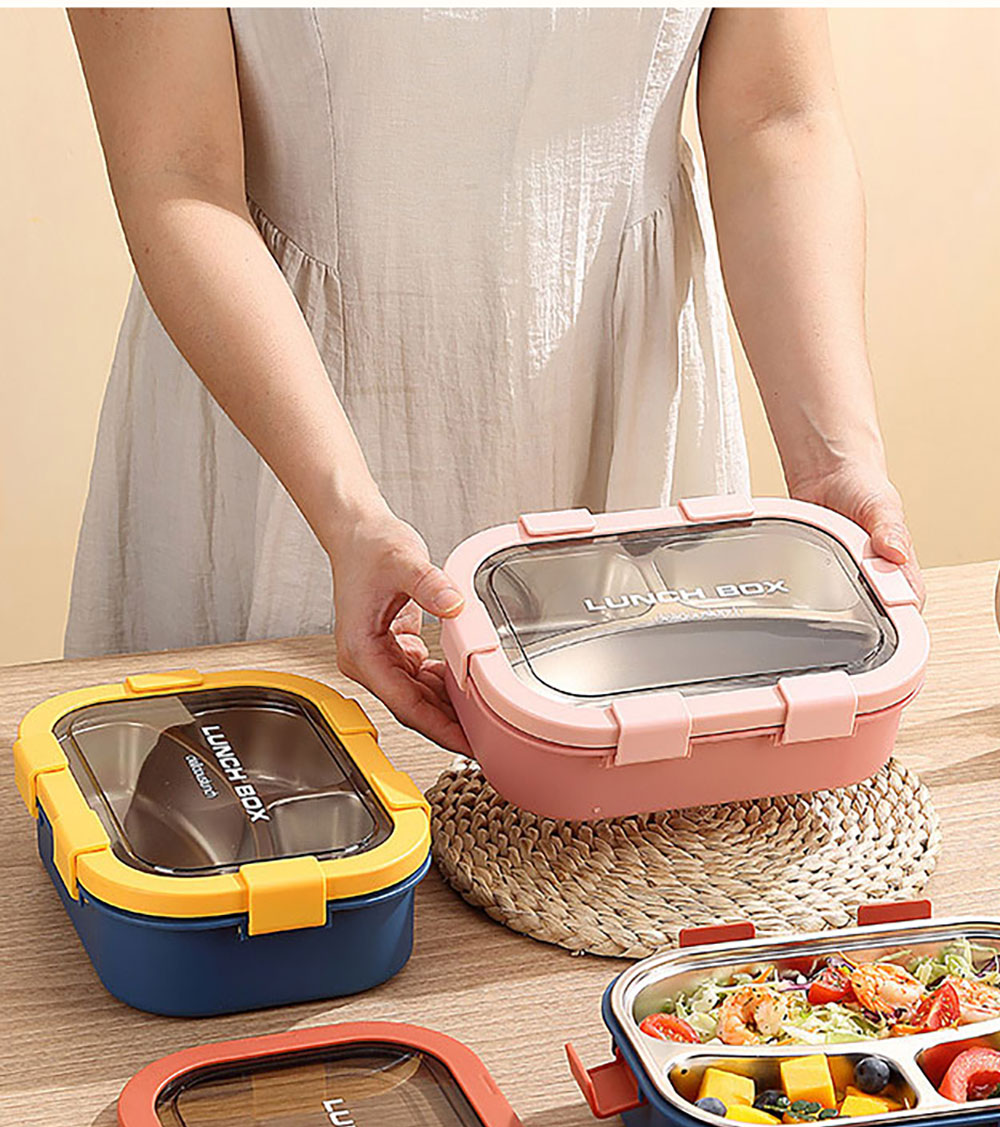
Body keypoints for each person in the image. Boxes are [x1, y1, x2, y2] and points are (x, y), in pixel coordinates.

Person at [67, 8, 923, 754]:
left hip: (625, 422)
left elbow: (775, 119)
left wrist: (832, 461)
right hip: (285, 438)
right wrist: (349, 516)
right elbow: (177, 176)